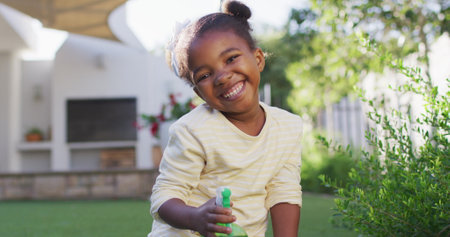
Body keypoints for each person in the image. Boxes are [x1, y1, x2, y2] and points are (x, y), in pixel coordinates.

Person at [148, 1, 302, 236]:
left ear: (258, 59)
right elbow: (164, 196)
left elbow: (284, 191)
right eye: (206, 75)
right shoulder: (194, 130)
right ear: (199, 94)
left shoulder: (288, 127)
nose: (222, 77)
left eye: (231, 59)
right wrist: (194, 217)